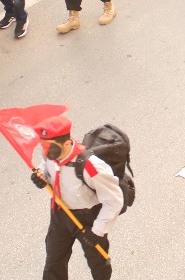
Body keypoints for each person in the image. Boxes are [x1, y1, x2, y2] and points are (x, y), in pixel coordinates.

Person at [30, 116, 123, 280]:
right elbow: (45, 163)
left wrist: (97, 232)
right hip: (60, 212)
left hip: (89, 219)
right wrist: (42, 175)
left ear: (67, 143)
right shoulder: (50, 153)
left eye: (50, 147)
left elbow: (114, 200)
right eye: (43, 146)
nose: (45, 152)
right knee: (53, 263)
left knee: (98, 265)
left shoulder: (91, 167)